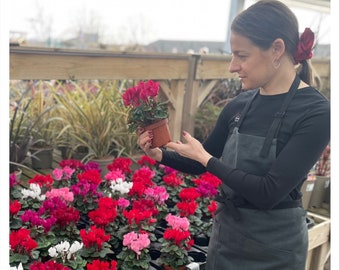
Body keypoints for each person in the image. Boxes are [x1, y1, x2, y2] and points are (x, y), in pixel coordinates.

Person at [137, 0, 330, 269]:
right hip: (227, 242)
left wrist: (208, 160)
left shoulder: (316, 112)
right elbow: (199, 163)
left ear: (277, 49)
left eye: (241, 55)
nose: (232, 66)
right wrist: (159, 155)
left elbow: (268, 192)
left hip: (275, 251)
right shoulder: (239, 105)